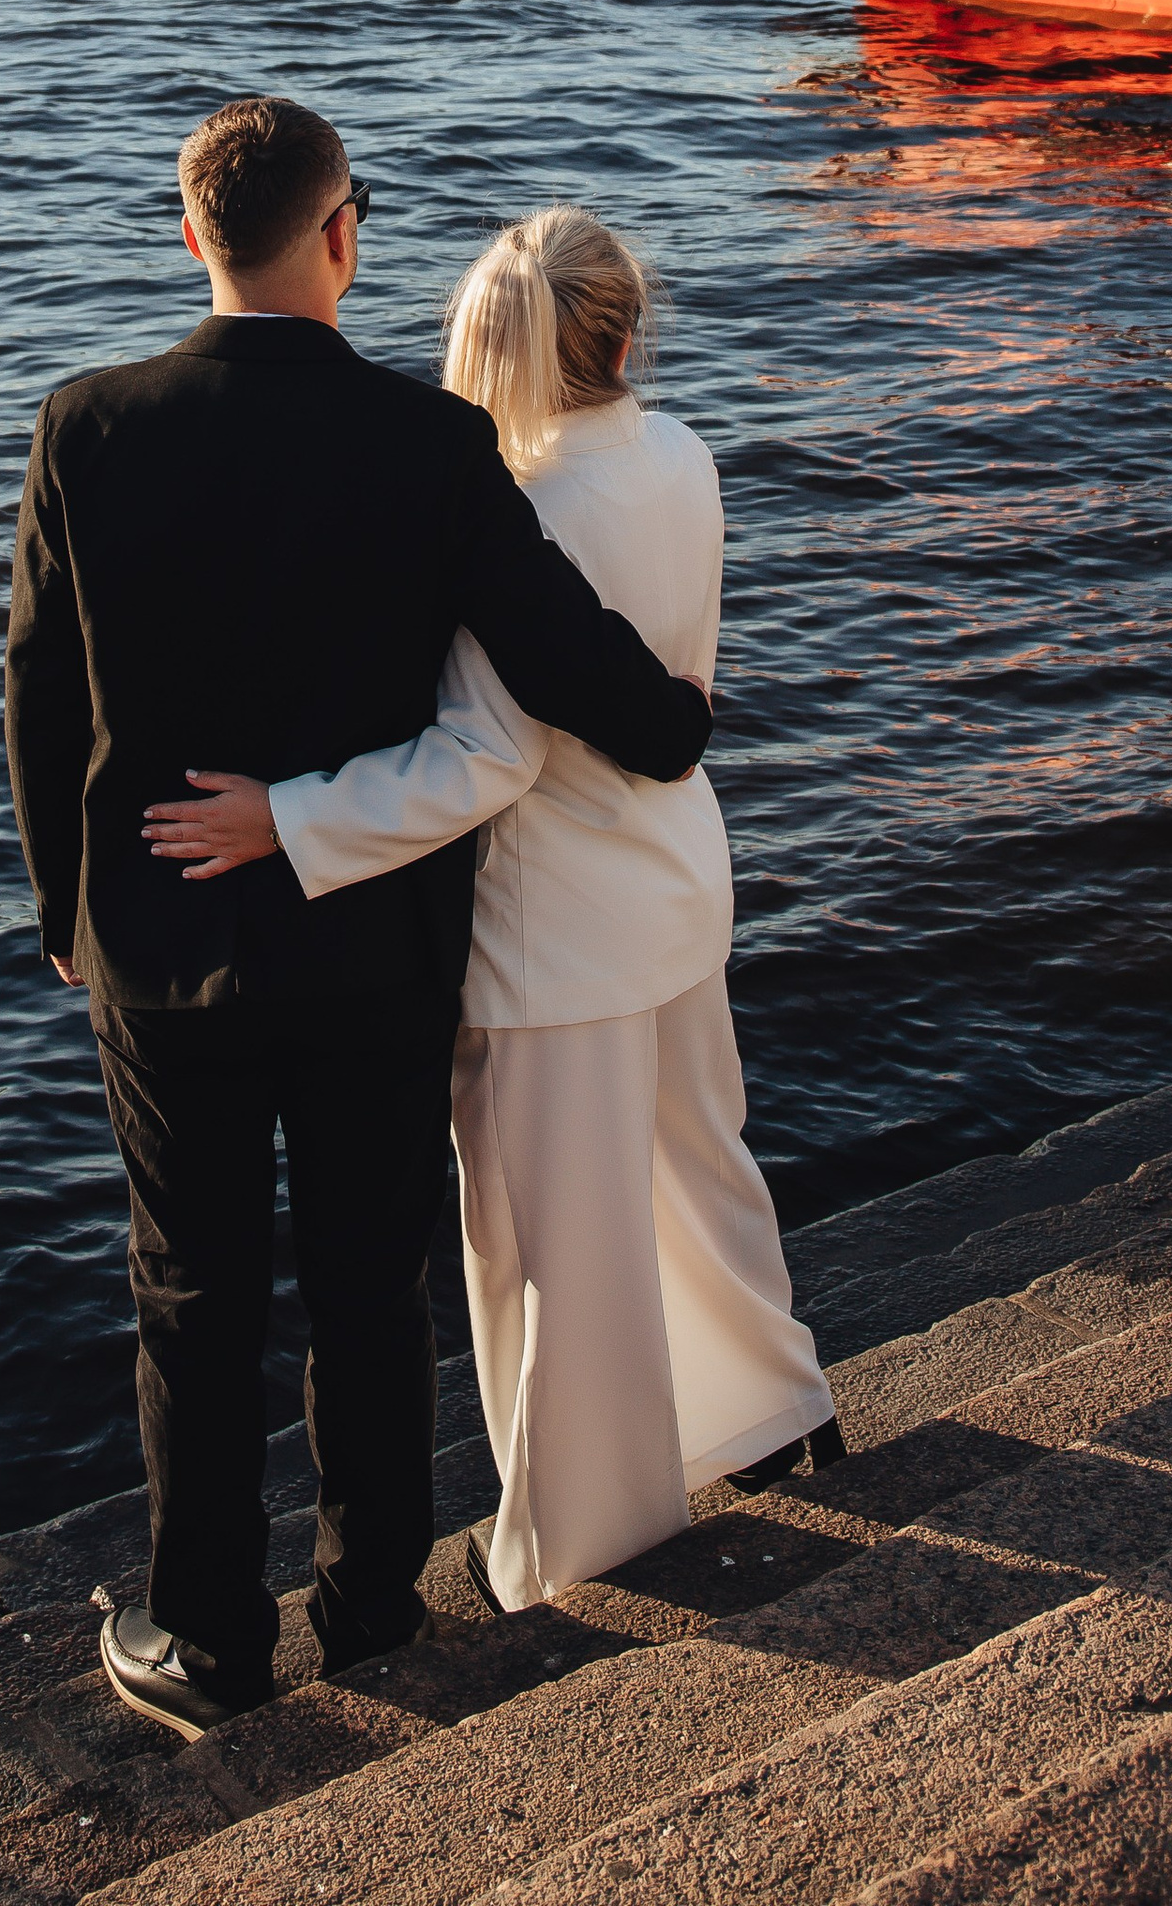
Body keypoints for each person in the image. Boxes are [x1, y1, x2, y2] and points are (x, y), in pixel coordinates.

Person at [5, 103, 713, 1740]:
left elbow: (42, 697)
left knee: (190, 1289)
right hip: (373, 945)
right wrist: (673, 727)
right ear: (342, 236)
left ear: (194, 238)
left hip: (162, 942)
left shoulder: (86, 428)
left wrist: (65, 906)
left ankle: (206, 1641)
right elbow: (557, 649)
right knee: (368, 1277)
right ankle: (377, 1609)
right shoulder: (428, 443)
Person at [146, 205, 834, 1615]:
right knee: (703, 1176)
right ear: (627, 338)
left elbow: (489, 756)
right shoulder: (681, 456)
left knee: (548, 1257)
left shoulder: (510, 511)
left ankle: (581, 1535)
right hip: (676, 891)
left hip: (553, 936)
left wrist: (285, 816)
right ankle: (770, 1412)